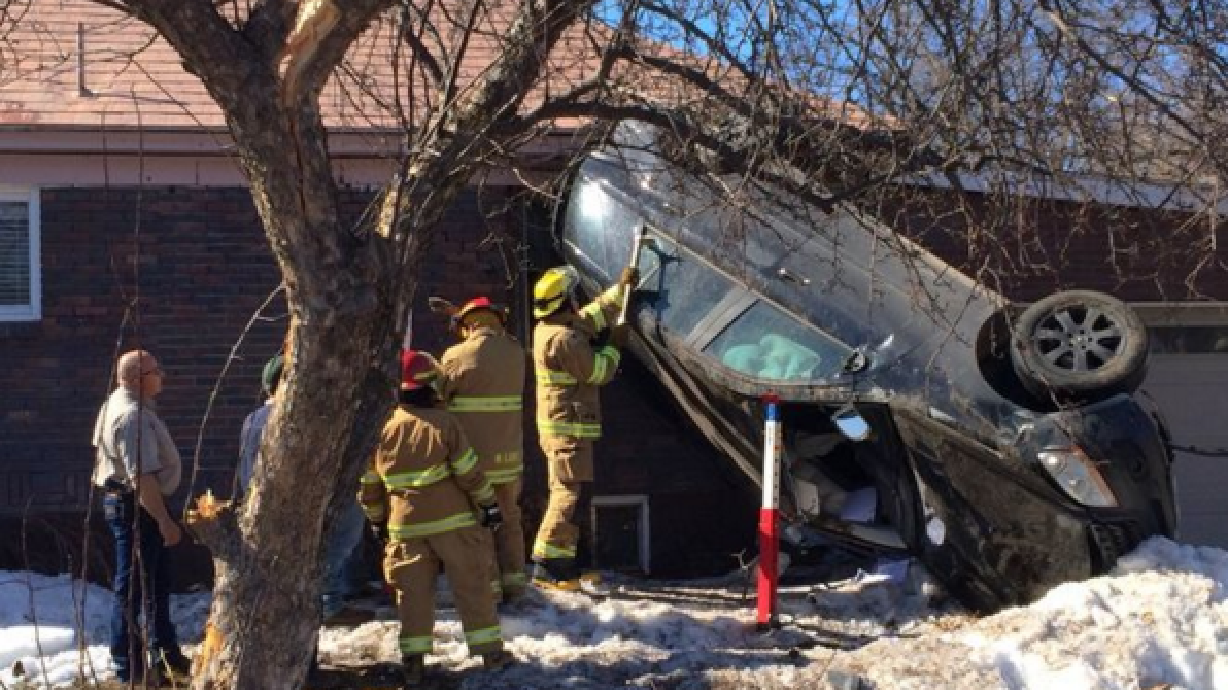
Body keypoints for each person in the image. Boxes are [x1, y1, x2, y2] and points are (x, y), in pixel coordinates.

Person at [359, 350, 513, 687]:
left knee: (411, 595)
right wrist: (489, 505)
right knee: (473, 586)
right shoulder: (445, 424)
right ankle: (491, 653)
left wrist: (376, 519)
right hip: (454, 524)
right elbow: (469, 472)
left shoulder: (382, 429)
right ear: (431, 386)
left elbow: (369, 485)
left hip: (404, 527)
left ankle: (413, 662)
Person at [529, 264, 637, 594]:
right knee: (569, 494)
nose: (578, 300)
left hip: (570, 427)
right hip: (568, 429)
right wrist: (614, 347)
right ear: (564, 300)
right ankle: (547, 566)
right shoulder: (562, 339)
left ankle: (568, 562)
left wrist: (620, 291)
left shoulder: (555, 327)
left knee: (576, 494)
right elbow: (598, 372)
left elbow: (591, 316)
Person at [236, 354, 366, 621]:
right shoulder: (296, 420)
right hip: (297, 508)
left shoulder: (252, 420)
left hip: (263, 508)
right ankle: (328, 599)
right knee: (341, 533)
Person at [92, 349, 191, 683]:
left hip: (134, 504)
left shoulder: (117, 403)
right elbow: (142, 476)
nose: (161, 375)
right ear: (136, 378)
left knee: (157, 583)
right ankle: (129, 667)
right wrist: (163, 519)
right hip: (138, 508)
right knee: (133, 588)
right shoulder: (131, 416)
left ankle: (166, 655)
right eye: (155, 371)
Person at [436, 297, 529, 603]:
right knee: (509, 520)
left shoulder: (457, 355)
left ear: (468, 326)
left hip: (474, 463)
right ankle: (515, 583)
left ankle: (488, 590)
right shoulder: (516, 352)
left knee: (479, 523)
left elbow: (438, 396)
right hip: (510, 458)